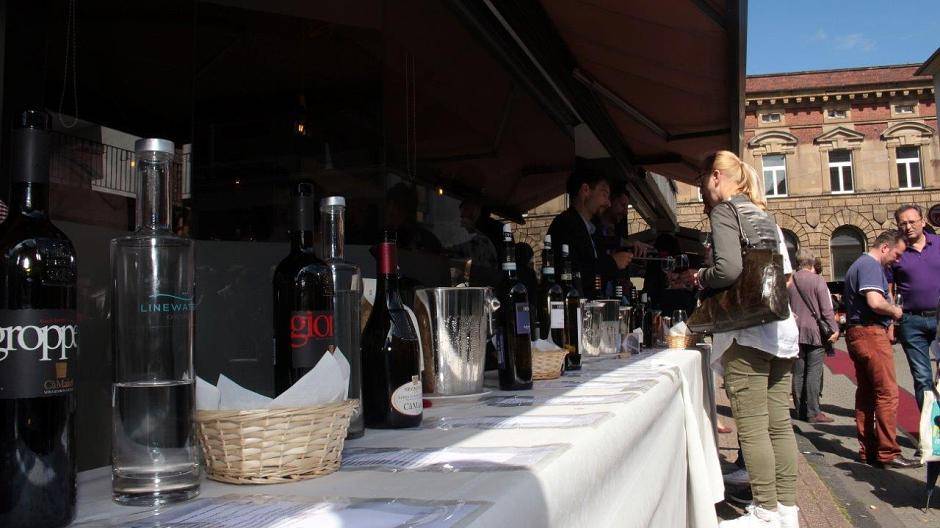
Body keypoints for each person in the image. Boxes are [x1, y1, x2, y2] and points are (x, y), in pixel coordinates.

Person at [685, 150, 800, 528]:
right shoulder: (765, 216)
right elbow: (784, 277)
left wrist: (700, 276)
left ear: (716, 177)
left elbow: (728, 269)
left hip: (746, 332)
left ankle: (764, 511)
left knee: (752, 427)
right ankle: (786, 510)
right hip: (779, 328)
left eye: (703, 180)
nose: (703, 188)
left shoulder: (725, 211)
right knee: (778, 425)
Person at [843, 230, 921, 469]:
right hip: (870, 333)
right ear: (885, 247)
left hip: (857, 333)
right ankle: (889, 452)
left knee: (866, 394)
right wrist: (895, 311)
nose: (897, 260)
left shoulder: (858, 264)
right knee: (887, 393)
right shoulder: (870, 266)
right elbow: (875, 302)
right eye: (897, 254)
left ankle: (869, 450)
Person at [547, 158, 633, 299]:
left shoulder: (592, 229)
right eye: (604, 194)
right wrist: (612, 262)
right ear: (585, 190)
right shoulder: (565, 225)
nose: (608, 203)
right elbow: (571, 273)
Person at [888, 204, 940, 416]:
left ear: (922, 221)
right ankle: (929, 427)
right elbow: (889, 289)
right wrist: (891, 322)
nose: (908, 227)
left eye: (912, 221)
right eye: (903, 223)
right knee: (922, 378)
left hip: (939, 318)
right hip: (911, 322)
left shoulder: (938, 244)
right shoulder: (897, 252)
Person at [788, 250, 839, 423]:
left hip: (795, 331)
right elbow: (826, 309)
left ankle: (800, 409)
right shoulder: (817, 280)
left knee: (798, 372)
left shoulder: (790, 281)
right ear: (811, 263)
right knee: (813, 372)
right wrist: (834, 329)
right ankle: (813, 411)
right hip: (815, 332)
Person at [384, 182, 442, 253]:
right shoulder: (384, 237)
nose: (391, 209)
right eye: (389, 204)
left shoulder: (427, 240)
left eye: (396, 205)